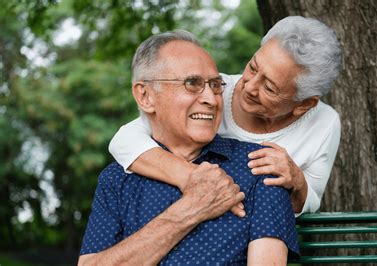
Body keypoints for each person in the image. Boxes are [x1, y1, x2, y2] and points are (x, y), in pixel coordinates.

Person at [79, 30, 298, 265]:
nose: (212, 100)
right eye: (192, 83)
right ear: (145, 96)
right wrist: (190, 209)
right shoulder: (116, 180)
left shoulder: (259, 166)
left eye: (215, 85)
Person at [109, 16, 343, 215]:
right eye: (253, 67)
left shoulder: (324, 122)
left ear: (304, 104)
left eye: (269, 88)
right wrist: (193, 177)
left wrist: (297, 181)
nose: (249, 86)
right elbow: (124, 140)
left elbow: (311, 199)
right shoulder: (211, 91)